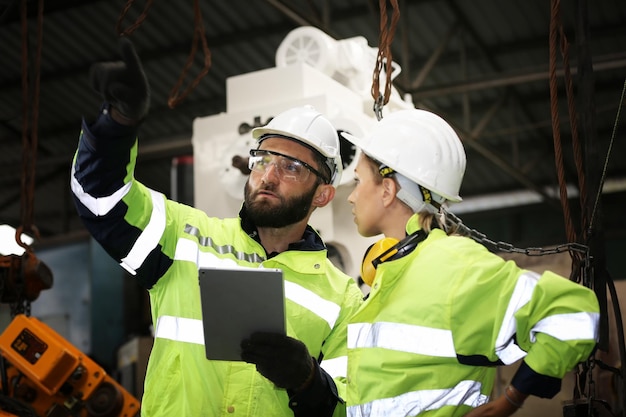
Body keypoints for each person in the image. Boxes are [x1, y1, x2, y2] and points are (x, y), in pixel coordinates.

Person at [70, 37, 363, 417]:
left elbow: (350, 407)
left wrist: (308, 381)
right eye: (263, 160)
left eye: (292, 167)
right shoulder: (184, 236)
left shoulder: (343, 300)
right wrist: (118, 124)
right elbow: (100, 199)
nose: (268, 176)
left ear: (323, 195)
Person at [340, 109, 600, 417]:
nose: (351, 197)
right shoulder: (395, 271)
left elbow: (573, 312)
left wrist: (510, 401)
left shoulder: (452, 266)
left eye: (358, 181)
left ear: (387, 190)